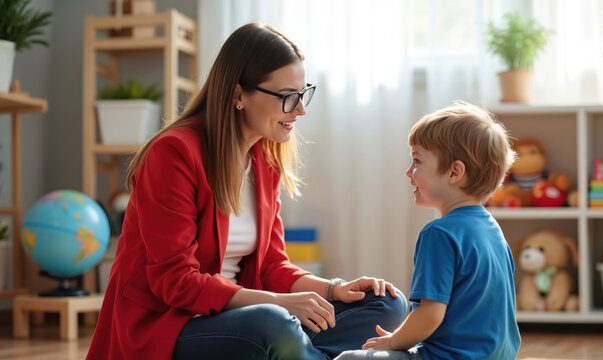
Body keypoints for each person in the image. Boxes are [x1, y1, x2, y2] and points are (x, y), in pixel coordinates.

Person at [87, 23, 407, 360]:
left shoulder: (264, 158)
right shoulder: (173, 154)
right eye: (287, 97)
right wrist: (280, 304)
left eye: (302, 93)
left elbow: (271, 265)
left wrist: (333, 289)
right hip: (170, 326)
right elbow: (176, 281)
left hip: (245, 319)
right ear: (238, 95)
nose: (300, 110)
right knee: (274, 325)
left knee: (386, 303)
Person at [336, 102, 521, 360]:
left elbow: (430, 315)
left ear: (454, 172)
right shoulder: (493, 231)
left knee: (348, 359)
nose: (408, 172)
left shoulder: (439, 234)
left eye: (417, 161)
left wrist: (392, 342)